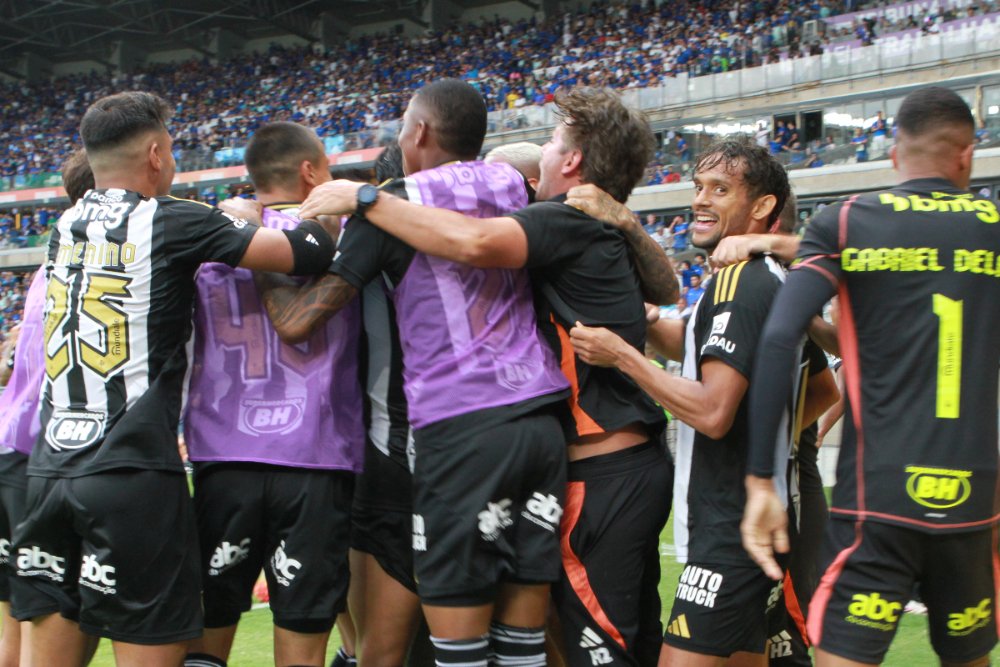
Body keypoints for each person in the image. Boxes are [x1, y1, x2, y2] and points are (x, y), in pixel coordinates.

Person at [299, 86, 678, 667]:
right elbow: (667, 288)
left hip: (558, 454)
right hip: (567, 442)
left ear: (573, 160)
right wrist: (625, 218)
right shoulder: (563, 212)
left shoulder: (557, 218)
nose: (542, 156)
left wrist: (365, 197)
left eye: (552, 144)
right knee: (556, 638)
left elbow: (474, 241)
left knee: (573, 647)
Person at [13, 91, 339, 667]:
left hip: (47, 474)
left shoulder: (64, 227)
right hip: (130, 472)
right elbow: (308, 251)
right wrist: (274, 215)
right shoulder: (173, 218)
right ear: (156, 154)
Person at [260, 79, 572, 667]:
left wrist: (258, 251)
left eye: (404, 125)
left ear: (420, 131)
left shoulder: (385, 210)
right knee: (524, 640)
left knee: (441, 644)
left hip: (450, 432)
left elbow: (300, 321)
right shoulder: (511, 185)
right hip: (539, 416)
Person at [742, 86, 1000, 667]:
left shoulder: (847, 221)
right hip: (974, 499)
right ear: (967, 154)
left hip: (878, 499)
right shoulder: (993, 226)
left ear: (894, 155)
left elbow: (780, 338)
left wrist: (761, 480)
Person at [567, 136, 831, 666]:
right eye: (698, 187)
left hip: (730, 529)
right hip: (746, 521)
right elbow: (823, 388)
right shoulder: (760, 278)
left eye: (720, 189)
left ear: (762, 207)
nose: (701, 200)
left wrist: (622, 356)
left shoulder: (742, 281)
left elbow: (712, 411)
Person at [181, 121, 365, 667]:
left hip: (223, 461)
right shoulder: (346, 237)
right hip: (316, 458)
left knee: (206, 638)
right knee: (302, 642)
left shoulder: (209, 243)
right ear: (310, 171)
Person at [0, 150, 98, 667]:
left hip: (11, 448)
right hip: (45, 455)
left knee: (19, 630)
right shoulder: (103, 257)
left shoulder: (48, 263)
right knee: (57, 614)